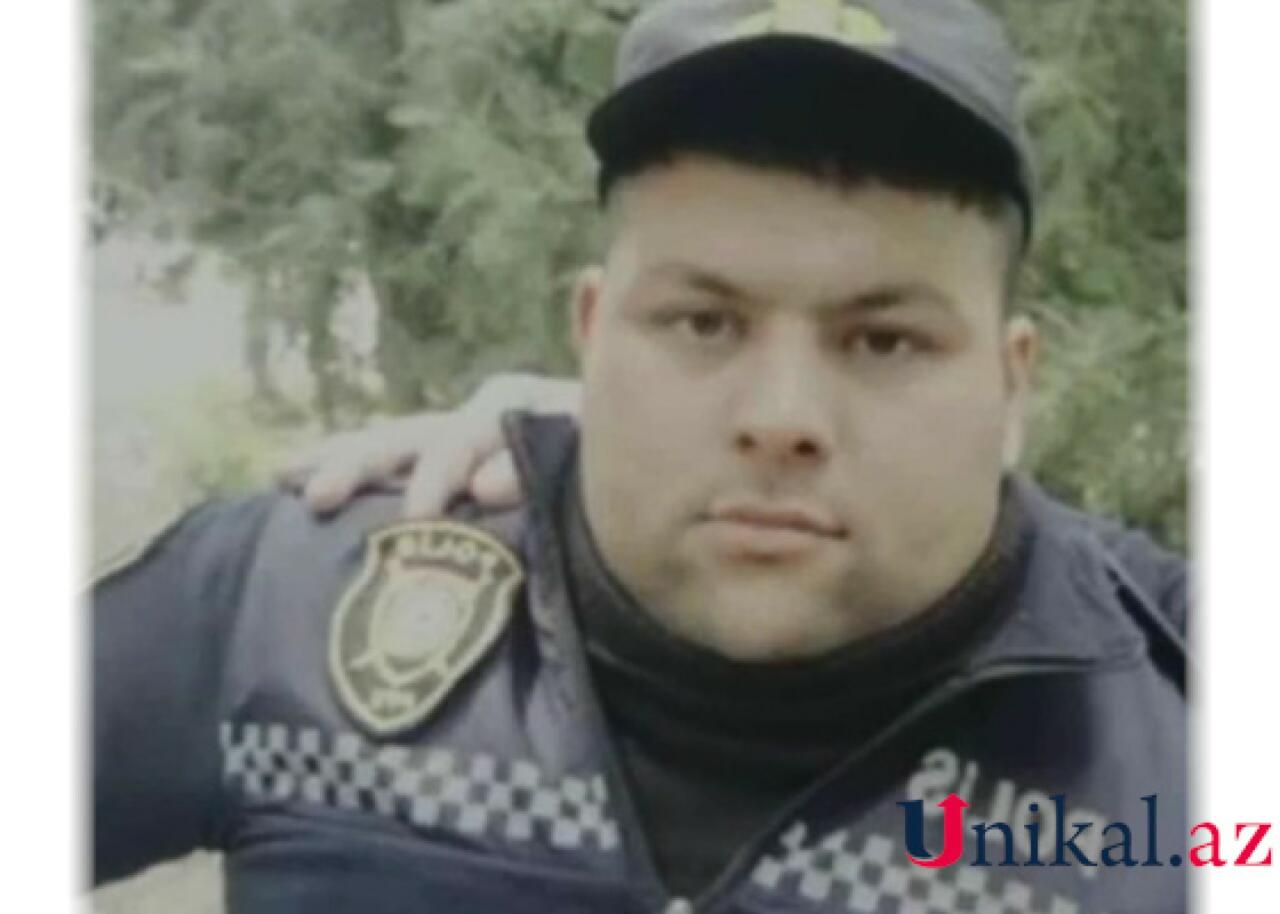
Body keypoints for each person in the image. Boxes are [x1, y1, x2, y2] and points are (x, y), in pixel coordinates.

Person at [94, 1, 1188, 912]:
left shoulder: (1185, 745)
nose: (780, 415)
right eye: (702, 324)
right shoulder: (284, 608)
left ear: (1010, 384)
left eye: (883, 341)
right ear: (591, 334)